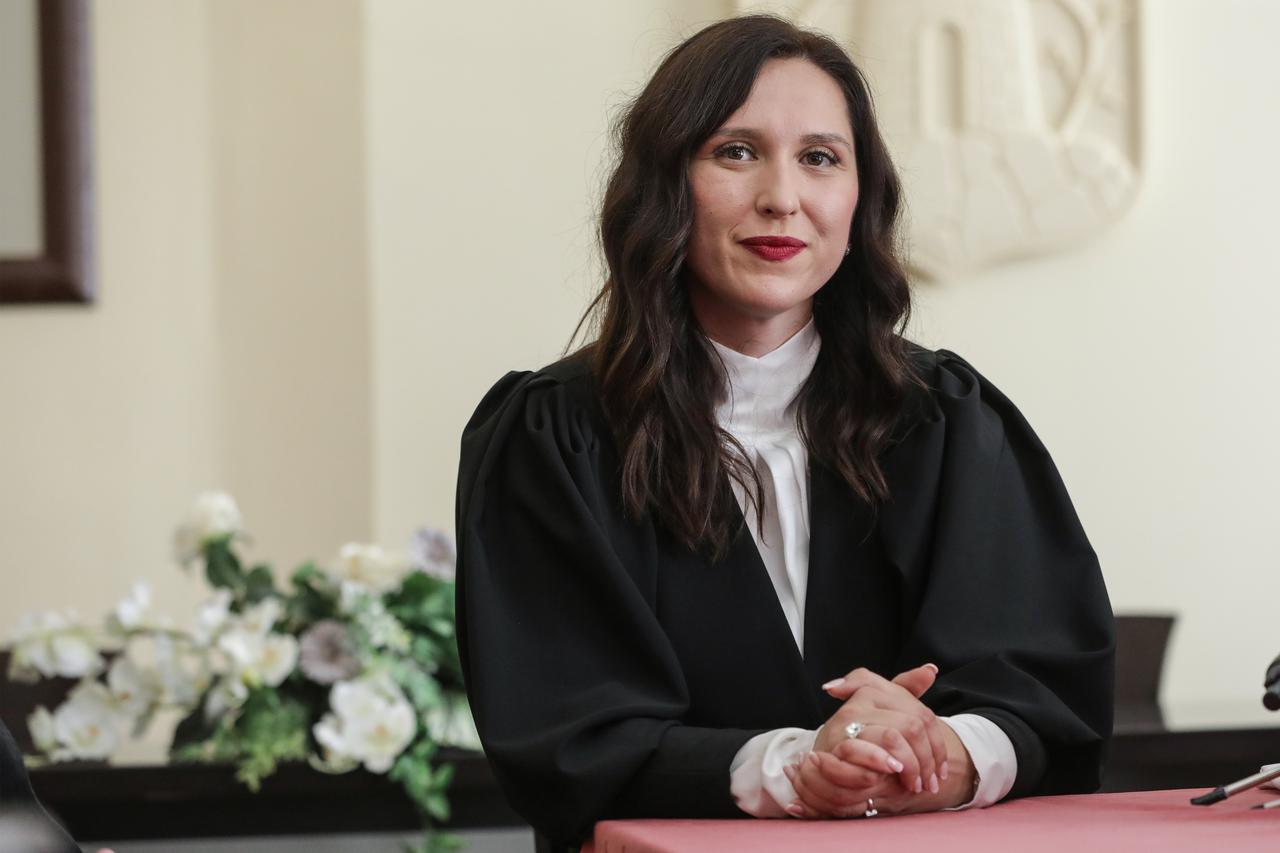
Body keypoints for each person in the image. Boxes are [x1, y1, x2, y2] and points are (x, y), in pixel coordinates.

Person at [455, 14, 1114, 848]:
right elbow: (566, 734)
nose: (782, 197)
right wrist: (797, 768)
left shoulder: (942, 417)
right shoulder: (558, 434)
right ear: (664, 183)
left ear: (860, 195)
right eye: (736, 152)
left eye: (820, 157)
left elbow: (1044, 692)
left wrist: (946, 752)